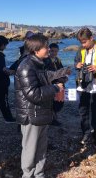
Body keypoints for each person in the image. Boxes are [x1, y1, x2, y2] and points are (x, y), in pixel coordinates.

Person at [15, 33, 70, 178]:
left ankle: (39, 174)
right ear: (35, 50)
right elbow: (34, 94)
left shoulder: (38, 63)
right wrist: (56, 88)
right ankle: (27, 175)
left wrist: (62, 73)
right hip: (31, 116)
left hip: (42, 113)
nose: (48, 49)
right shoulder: (26, 67)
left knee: (41, 148)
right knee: (30, 149)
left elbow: (46, 76)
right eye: (46, 47)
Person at [74, 27, 96, 147]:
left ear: (91, 38)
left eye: (84, 42)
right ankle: (85, 134)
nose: (83, 45)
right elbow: (75, 62)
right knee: (83, 111)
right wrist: (77, 65)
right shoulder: (81, 50)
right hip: (82, 84)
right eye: (81, 42)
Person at [44, 43, 67, 126]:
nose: (54, 53)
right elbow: (46, 74)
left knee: (60, 102)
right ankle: (52, 119)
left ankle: (53, 116)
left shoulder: (58, 60)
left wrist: (65, 78)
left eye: (55, 51)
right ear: (48, 51)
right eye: (52, 51)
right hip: (52, 86)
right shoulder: (46, 61)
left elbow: (62, 71)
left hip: (60, 85)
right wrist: (57, 79)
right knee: (53, 103)